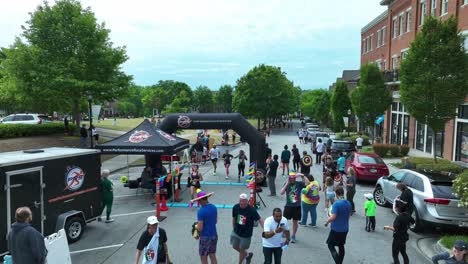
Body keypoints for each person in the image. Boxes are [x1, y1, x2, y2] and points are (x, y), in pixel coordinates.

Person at [231, 193, 264, 264]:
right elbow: (234, 218)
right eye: (240, 201)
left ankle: (240, 262)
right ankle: (248, 255)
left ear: (247, 201)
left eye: (244, 201)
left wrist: (265, 229)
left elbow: (260, 219)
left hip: (246, 234)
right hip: (236, 231)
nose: (242, 202)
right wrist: (233, 228)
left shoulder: (252, 210)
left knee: (242, 250)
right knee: (235, 246)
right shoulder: (235, 207)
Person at [324, 186, 352, 264]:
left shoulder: (336, 204)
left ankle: (338, 262)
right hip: (345, 228)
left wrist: (327, 222)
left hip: (336, 229)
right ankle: (340, 261)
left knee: (330, 245)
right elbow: (349, 216)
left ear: (336, 194)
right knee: (341, 245)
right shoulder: (348, 203)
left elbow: (333, 217)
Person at [280, 172, 309, 243]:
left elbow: (307, 183)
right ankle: (284, 232)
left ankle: (293, 235)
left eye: (293, 178)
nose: (292, 179)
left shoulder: (298, 184)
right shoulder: (287, 184)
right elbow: (281, 192)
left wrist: (302, 175)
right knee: (284, 220)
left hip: (297, 206)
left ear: (295, 178)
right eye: (290, 178)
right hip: (288, 206)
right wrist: (287, 183)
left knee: (295, 222)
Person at [193, 192, 218, 264]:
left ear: (201, 200)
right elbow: (215, 221)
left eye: (198, 200)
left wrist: (196, 228)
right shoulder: (214, 207)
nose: (198, 202)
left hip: (205, 237)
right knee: (212, 255)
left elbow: (200, 228)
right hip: (214, 235)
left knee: (203, 258)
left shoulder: (201, 211)